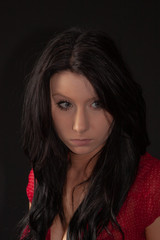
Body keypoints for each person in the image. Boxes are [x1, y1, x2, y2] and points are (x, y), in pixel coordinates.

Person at [20, 28, 160, 240]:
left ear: (118, 101)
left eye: (97, 103)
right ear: (44, 106)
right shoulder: (42, 177)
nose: (79, 126)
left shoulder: (151, 185)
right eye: (65, 104)